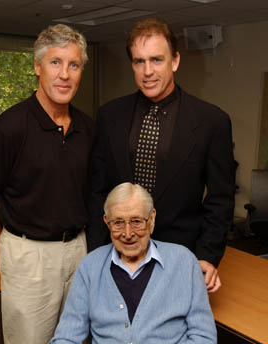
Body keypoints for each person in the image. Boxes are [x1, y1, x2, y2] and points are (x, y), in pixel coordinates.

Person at [0, 24, 93, 344]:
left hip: (77, 250)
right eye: (56, 63)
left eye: (74, 65)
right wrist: (4, 247)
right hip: (27, 253)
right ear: (37, 69)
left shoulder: (85, 127)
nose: (65, 74)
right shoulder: (10, 127)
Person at [52, 182, 217, 344]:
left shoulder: (183, 262)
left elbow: (205, 340)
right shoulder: (90, 267)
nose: (128, 233)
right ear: (106, 222)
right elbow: (65, 339)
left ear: (152, 220)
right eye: (118, 222)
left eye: (137, 221)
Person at [87, 17, 235, 293]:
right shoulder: (110, 116)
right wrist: (96, 253)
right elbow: (98, 190)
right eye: (139, 61)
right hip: (116, 255)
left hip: (179, 258)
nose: (147, 71)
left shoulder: (212, 121)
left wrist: (207, 256)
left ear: (175, 61)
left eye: (156, 60)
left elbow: (220, 200)